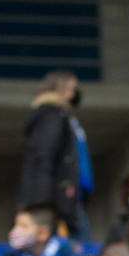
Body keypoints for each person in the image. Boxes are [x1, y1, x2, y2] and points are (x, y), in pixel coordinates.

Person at [19, 69, 90, 241]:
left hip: (69, 195)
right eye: (69, 88)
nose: (73, 94)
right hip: (59, 198)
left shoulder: (63, 116)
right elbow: (45, 158)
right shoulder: (52, 116)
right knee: (76, 248)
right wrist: (43, 202)